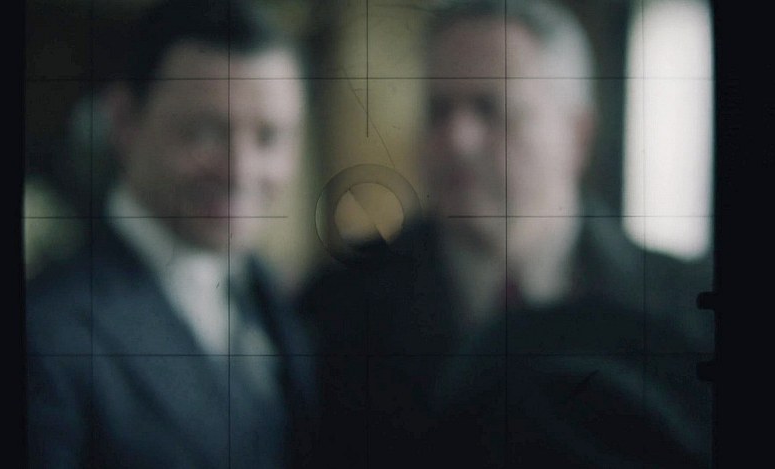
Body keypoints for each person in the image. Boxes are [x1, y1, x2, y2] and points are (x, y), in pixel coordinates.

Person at [301, 0, 713, 466]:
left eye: (491, 108)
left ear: (577, 133)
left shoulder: (689, 309)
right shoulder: (337, 309)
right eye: (439, 111)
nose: (457, 140)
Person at [26, 1, 314, 468]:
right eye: (205, 132)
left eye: (269, 137)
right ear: (124, 120)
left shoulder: (279, 299)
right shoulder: (48, 334)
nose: (240, 171)